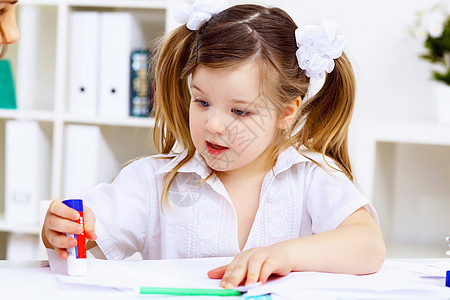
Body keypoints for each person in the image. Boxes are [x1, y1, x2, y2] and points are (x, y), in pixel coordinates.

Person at [42, 1, 386, 289]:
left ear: (286, 112)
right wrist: (64, 231)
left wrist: (287, 255)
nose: (214, 124)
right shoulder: (153, 182)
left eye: (239, 110)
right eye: (202, 102)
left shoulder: (312, 177)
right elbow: (86, 236)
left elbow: (368, 245)